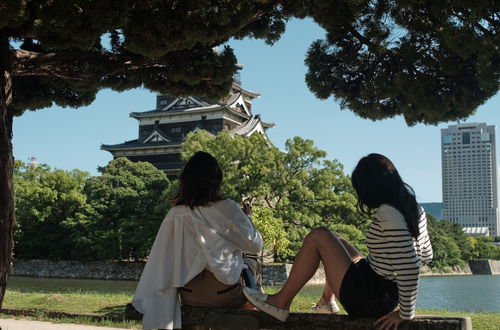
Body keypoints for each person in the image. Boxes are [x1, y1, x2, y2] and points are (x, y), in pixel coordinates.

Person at [244, 153, 433, 330]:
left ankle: (280, 303)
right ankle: (326, 302)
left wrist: (405, 313)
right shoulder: (415, 208)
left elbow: (410, 266)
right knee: (336, 239)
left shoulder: (388, 213)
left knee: (319, 236)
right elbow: (426, 255)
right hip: (380, 288)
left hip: (371, 298)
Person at [132, 151, 263, 330]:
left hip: (189, 293)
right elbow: (255, 245)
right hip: (225, 293)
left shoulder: (175, 214)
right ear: (217, 181)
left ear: (185, 181)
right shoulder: (228, 207)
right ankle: (255, 305)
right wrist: (248, 219)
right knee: (251, 261)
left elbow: (162, 258)